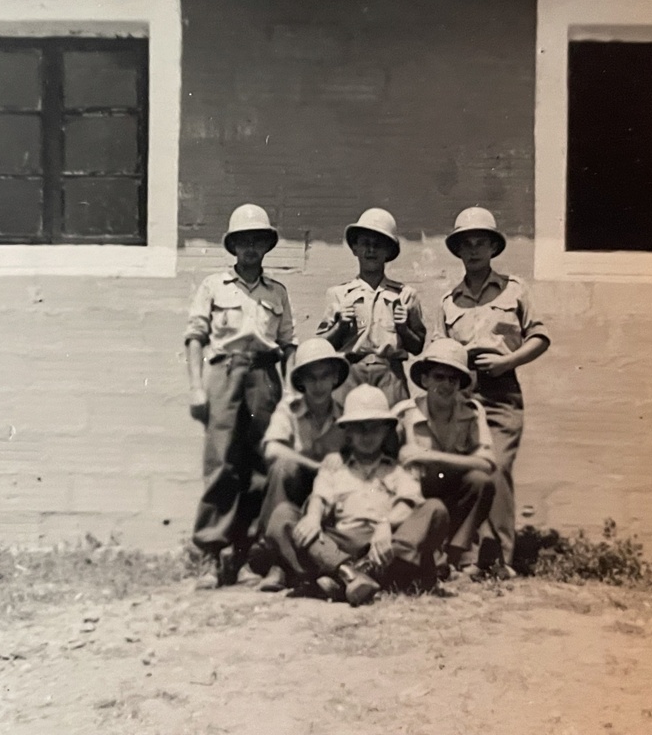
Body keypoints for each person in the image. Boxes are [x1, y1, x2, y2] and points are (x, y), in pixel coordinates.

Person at [184, 203, 297, 589]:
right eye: (243, 241)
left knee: (261, 468)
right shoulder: (214, 286)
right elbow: (195, 337)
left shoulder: (277, 291)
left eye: (257, 241)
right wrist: (197, 386)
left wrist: (291, 391)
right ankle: (210, 556)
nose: (251, 248)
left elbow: (288, 344)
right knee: (221, 464)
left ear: (266, 246)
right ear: (233, 246)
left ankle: (250, 558)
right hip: (225, 373)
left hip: (265, 375)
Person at [264, 385, 450, 606]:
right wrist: (313, 516)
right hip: (340, 543)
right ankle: (346, 572)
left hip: (385, 545)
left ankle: (348, 578)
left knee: (435, 510)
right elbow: (319, 498)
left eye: (374, 428)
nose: (367, 435)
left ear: (385, 430)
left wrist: (385, 524)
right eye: (359, 428)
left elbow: (409, 503)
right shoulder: (334, 466)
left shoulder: (398, 468)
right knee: (282, 515)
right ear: (348, 432)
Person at [440, 207, 551, 577]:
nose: (473, 251)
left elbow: (540, 336)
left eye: (480, 243)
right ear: (458, 251)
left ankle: (501, 557)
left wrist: (508, 363)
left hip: (502, 391)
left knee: (498, 468)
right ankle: (469, 558)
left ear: (492, 247)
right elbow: (443, 352)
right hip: (464, 394)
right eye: (466, 244)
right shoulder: (449, 301)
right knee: (470, 472)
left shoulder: (514, 290)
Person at [395, 338, 497, 578]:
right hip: (417, 499)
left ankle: (455, 555)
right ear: (425, 380)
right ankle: (423, 553)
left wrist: (429, 457)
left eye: (453, 379)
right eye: (439, 377)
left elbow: (487, 462)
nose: (446, 385)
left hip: (453, 496)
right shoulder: (404, 413)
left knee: (481, 482)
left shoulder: (471, 412)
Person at [254, 338, 350, 592]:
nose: (318, 385)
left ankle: (321, 566)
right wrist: (314, 466)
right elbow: (272, 448)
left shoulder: (345, 415)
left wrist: (341, 462)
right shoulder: (289, 409)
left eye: (324, 376)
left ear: (335, 377)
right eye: (311, 378)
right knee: (283, 465)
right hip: (294, 489)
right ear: (301, 381)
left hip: (329, 496)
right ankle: (278, 563)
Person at [315, 208, 427, 408]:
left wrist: (403, 329)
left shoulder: (405, 295)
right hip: (351, 371)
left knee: (395, 426)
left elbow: (418, 347)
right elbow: (322, 346)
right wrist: (340, 326)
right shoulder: (339, 294)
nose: (371, 250)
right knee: (346, 429)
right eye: (365, 244)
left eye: (378, 245)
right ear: (355, 249)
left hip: (390, 372)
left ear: (388, 252)